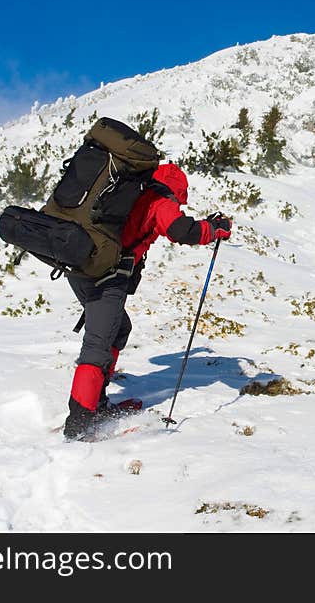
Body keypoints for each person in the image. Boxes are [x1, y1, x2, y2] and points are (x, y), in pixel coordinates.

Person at [63, 162, 232, 439]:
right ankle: (80, 422)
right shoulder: (158, 200)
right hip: (107, 275)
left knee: (119, 328)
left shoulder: (130, 191)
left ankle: (96, 402)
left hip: (80, 267)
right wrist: (215, 229)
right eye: (180, 198)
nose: (178, 203)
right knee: (99, 342)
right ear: (176, 191)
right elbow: (182, 231)